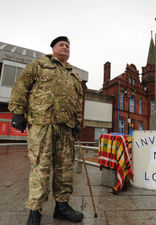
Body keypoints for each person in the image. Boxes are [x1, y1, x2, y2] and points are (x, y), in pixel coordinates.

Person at [8, 36, 84, 225]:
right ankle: (35, 210)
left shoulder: (74, 74)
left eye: (68, 46)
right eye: (61, 45)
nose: (65, 47)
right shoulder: (40, 64)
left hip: (66, 128)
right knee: (40, 167)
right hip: (43, 124)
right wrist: (18, 112)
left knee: (64, 169)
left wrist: (77, 122)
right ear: (53, 48)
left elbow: (78, 102)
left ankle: (62, 206)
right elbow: (21, 87)